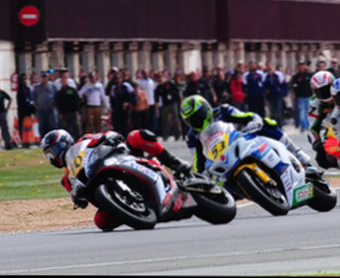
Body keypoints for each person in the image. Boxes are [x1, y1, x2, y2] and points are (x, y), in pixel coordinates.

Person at [41, 127, 191, 231]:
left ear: (63, 142)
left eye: (51, 152)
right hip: (100, 184)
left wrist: (111, 137)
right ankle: (136, 211)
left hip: (115, 157)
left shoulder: (84, 139)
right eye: (49, 155)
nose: (52, 158)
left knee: (137, 135)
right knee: (101, 222)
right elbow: (78, 198)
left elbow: (104, 135)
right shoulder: (66, 178)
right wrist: (77, 199)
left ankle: (174, 162)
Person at [179, 95, 317, 174]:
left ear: (206, 109)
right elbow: (198, 159)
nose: (197, 121)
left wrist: (254, 122)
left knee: (267, 123)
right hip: (220, 160)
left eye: (199, 115)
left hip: (240, 140)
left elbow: (247, 116)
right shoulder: (192, 137)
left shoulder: (223, 111)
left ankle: (297, 153)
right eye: (192, 120)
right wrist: (199, 174)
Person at [290, 62, 313, 129]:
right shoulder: (296, 76)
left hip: (309, 96)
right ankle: (304, 126)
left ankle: (308, 126)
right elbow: (292, 86)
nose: (301, 67)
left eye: (303, 65)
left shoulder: (309, 75)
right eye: (300, 66)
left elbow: (315, 76)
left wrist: (308, 69)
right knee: (302, 114)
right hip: (300, 98)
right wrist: (293, 95)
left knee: (309, 113)